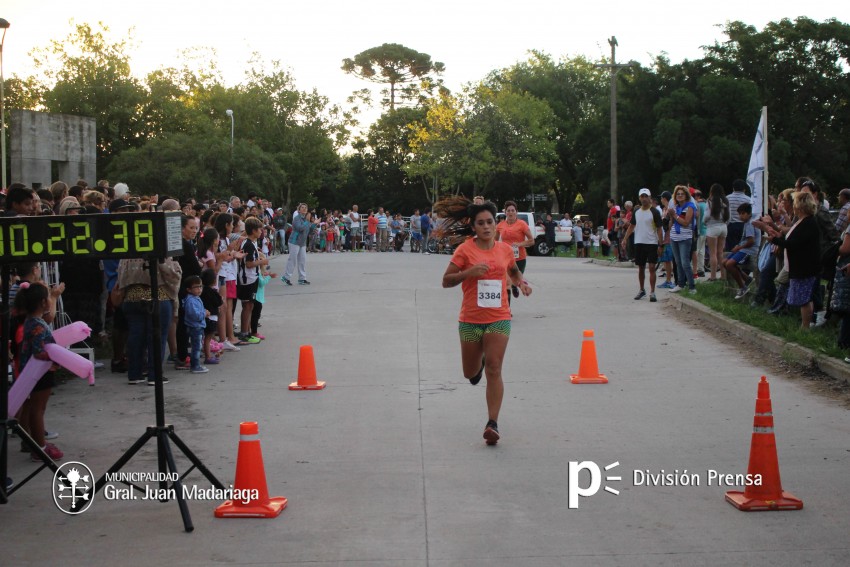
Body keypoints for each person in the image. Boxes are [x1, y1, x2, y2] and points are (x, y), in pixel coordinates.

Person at [438, 197, 531, 446]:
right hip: (470, 320)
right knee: (470, 373)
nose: (487, 227)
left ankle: (492, 423)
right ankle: (475, 366)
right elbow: (446, 281)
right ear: (474, 226)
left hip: (499, 318)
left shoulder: (504, 249)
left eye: (490, 221)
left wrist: (521, 282)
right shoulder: (465, 250)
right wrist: (469, 273)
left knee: (494, 367)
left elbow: (512, 270)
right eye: (481, 223)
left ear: (495, 223)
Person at [12, 282, 63, 461]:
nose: (51, 299)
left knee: (35, 408)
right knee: (38, 409)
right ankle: (40, 448)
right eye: (49, 296)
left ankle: (36, 443)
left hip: (32, 371)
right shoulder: (38, 325)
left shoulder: (30, 321)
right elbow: (39, 352)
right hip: (41, 373)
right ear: (43, 302)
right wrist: (56, 358)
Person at [766, 192, 821, 328]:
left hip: (805, 266)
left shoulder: (808, 223)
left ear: (800, 206)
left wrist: (775, 240)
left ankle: (805, 326)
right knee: (804, 297)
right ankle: (805, 324)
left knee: (804, 298)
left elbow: (794, 244)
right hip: (800, 265)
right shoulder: (803, 221)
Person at [622, 188, 664, 301]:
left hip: (652, 243)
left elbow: (660, 229)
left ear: (650, 198)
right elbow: (632, 226)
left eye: (646, 196)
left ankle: (653, 292)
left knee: (651, 267)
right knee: (640, 267)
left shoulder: (655, 212)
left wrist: (661, 244)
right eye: (642, 196)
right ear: (639, 198)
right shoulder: (636, 211)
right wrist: (625, 239)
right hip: (639, 242)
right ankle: (642, 290)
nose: (644, 198)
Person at [237, 217, 270, 342]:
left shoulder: (251, 243)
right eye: (259, 229)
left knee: (250, 305)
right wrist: (262, 261)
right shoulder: (249, 245)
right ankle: (245, 333)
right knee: (247, 305)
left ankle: (249, 331)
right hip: (248, 279)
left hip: (252, 278)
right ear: (253, 230)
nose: (261, 232)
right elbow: (249, 264)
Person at [496, 201, 534, 301]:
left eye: (513, 210)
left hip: (519, 258)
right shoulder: (500, 225)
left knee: (516, 280)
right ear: (505, 213)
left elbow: (531, 241)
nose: (510, 212)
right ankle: (507, 310)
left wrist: (519, 244)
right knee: (506, 282)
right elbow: (494, 241)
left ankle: (514, 286)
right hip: (505, 258)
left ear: (516, 212)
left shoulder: (522, 224)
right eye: (508, 211)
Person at [724, 203, 760, 299]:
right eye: (739, 214)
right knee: (724, 262)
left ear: (749, 214)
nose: (740, 216)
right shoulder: (747, 222)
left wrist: (738, 248)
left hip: (748, 251)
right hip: (743, 248)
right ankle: (746, 278)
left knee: (729, 264)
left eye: (743, 213)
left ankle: (743, 287)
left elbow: (751, 241)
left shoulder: (750, 224)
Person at [667, 185, 697, 294]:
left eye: (682, 194)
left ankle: (692, 286)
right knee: (678, 262)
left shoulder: (690, 207)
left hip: (685, 237)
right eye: (678, 194)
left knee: (685, 263)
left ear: (686, 195)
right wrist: (670, 217)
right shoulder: (675, 207)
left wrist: (674, 215)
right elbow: (672, 223)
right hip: (674, 237)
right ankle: (680, 284)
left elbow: (686, 223)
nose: (680, 196)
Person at [183, 275, 209, 373]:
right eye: (196, 287)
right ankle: (195, 366)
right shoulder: (191, 301)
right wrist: (204, 313)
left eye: (200, 286)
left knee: (197, 346)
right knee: (196, 347)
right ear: (189, 289)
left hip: (198, 326)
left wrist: (203, 311)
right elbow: (194, 315)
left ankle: (196, 365)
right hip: (195, 327)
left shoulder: (195, 298)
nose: (199, 289)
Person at [704, 183, 730, 281]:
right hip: (723, 227)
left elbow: (706, 215)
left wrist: (704, 222)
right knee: (720, 253)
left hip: (712, 227)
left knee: (712, 253)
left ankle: (713, 276)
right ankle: (723, 276)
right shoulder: (726, 201)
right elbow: (729, 217)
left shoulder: (710, 201)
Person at [282, 204, 311, 285]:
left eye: (306, 207)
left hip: (302, 242)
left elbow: (309, 229)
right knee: (292, 259)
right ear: (299, 210)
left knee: (302, 260)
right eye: (302, 207)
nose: (304, 209)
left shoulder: (306, 219)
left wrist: (314, 225)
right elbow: (300, 228)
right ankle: (286, 277)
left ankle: (302, 278)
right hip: (294, 241)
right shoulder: (296, 218)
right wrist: (308, 222)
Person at [200, 268, 223, 365]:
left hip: (205, 316)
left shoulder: (202, 291)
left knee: (206, 337)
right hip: (211, 317)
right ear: (214, 280)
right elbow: (219, 302)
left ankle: (208, 353)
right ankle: (208, 356)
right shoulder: (212, 292)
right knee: (208, 337)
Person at [725, 179, 752, 252]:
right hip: (744, 225)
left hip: (730, 225)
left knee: (730, 248)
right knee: (741, 246)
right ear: (744, 189)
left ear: (733, 188)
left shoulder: (727, 198)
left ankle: (729, 259)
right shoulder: (749, 199)